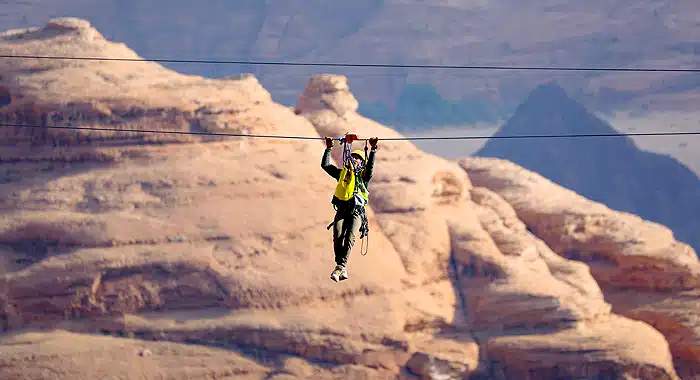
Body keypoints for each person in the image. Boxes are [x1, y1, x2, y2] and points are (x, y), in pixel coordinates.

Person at [322, 136, 379, 282]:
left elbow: (370, 169)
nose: (354, 159)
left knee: (350, 237)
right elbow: (326, 166)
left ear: (362, 162)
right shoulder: (342, 174)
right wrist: (328, 148)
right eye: (353, 156)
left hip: (357, 212)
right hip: (341, 209)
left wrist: (373, 150)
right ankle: (340, 267)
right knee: (337, 235)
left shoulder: (363, 176)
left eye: (357, 158)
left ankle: (341, 266)